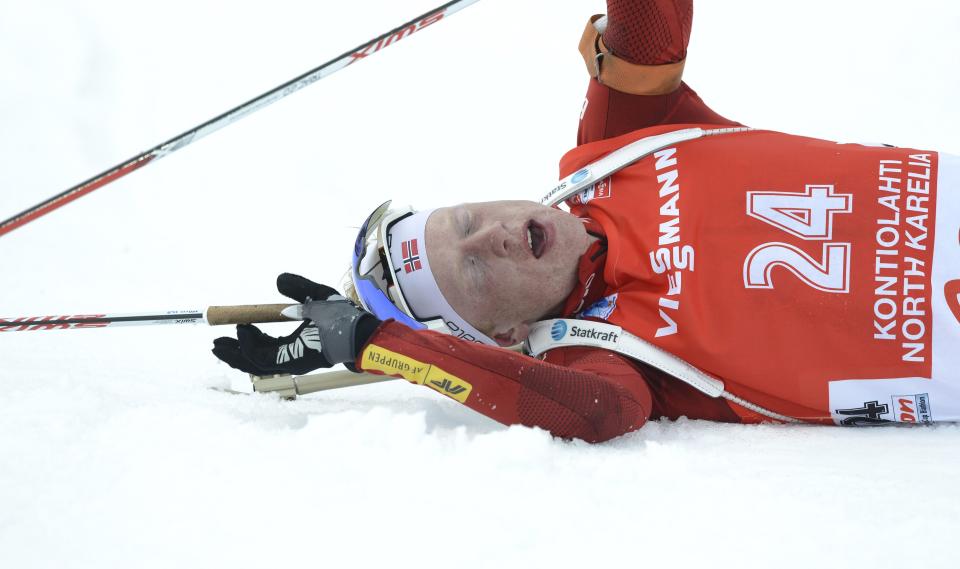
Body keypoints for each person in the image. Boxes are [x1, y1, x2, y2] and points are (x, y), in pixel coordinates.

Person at [212, 0, 960, 441]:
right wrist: (379, 345)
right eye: (473, 269)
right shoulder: (595, 355)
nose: (493, 235)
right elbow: (593, 413)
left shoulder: (610, 149)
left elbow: (650, 32)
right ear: (500, 336)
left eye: (468, 219)